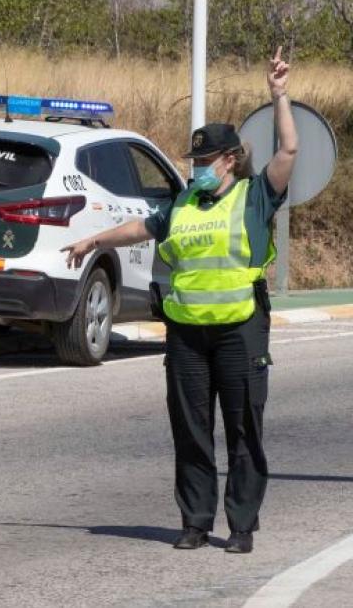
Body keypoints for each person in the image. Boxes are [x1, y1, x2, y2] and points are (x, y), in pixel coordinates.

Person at [62, 48, 298, 555]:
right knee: (191, 431)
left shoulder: (256, 196)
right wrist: (94, 241)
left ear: (231, 159)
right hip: (188, 333)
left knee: (242, 431)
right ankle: (194, 521)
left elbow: (289, 154)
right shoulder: (183, 203)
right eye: (193, 162)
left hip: (241, 329)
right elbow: (142, 227)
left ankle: (240, 526)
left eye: (205, 161)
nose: (197, 170)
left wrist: (279, 96)